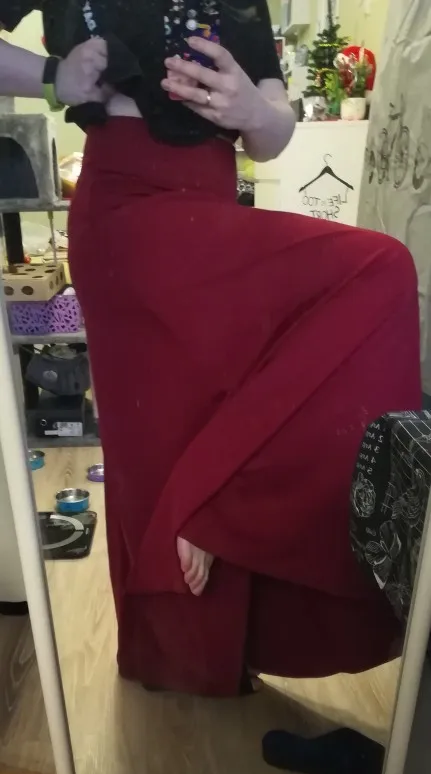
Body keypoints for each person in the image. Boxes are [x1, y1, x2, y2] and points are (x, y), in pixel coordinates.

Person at [0, 3, 422, 696]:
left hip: (211, 203)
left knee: (363, 282)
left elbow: (273, 132)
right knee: (151, 441)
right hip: (124, 216)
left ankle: (215, 516)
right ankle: (181, 649)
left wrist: (251, 111)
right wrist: (53, 76)